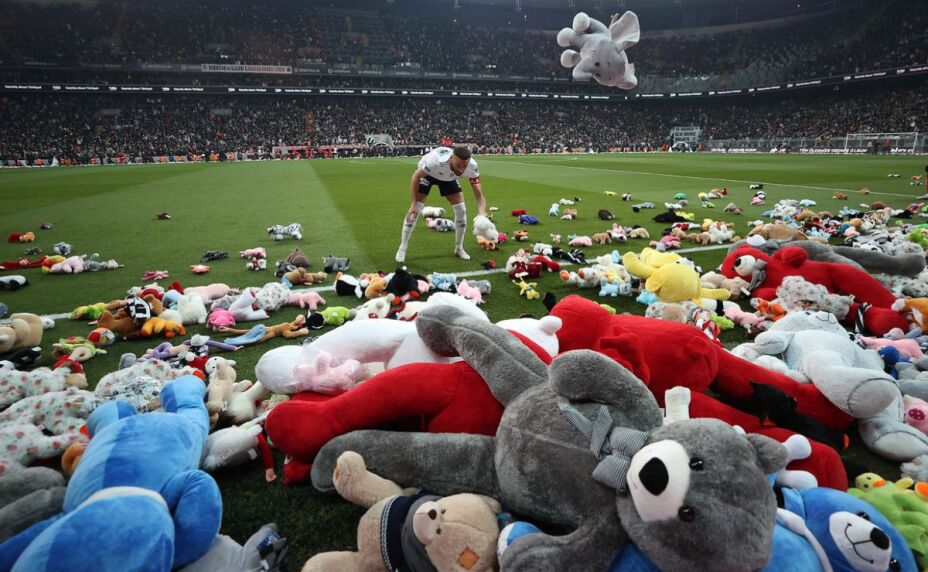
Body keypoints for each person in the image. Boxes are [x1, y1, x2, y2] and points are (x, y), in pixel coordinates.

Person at [395, 145, 486, 263]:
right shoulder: (435, 161)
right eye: (458, 165)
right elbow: (416, 176)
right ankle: (402, 248)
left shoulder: (472, 166)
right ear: (451, 159)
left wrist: (482, 215)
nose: (461, 170)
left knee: (461, 210)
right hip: (429, 174)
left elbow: (479, 195)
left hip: (448, 178)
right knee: (416, 209)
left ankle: (459, 248)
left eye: (465, 166)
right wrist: (413, 204)